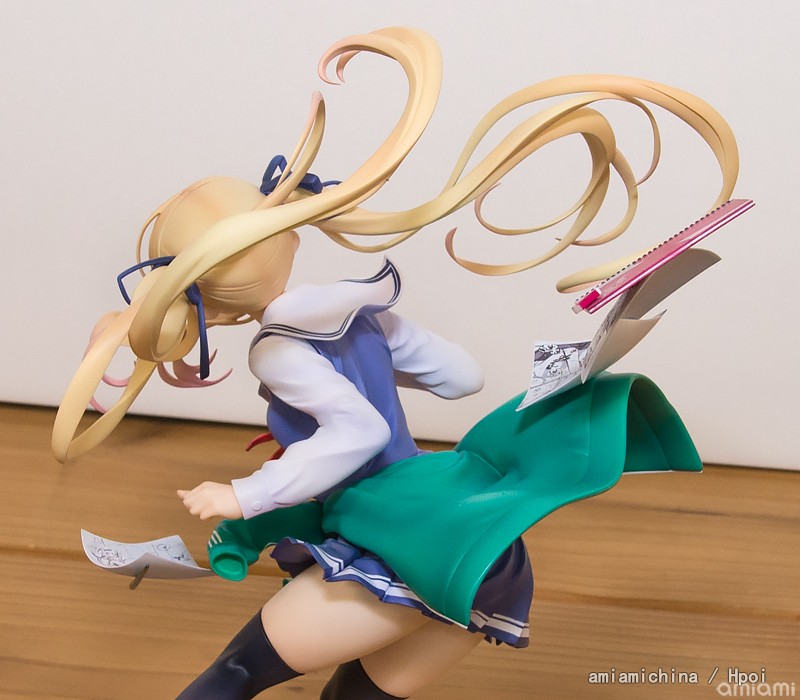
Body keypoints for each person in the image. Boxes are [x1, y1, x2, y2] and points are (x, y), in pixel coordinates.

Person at [51, 26, 739, 699]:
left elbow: (359, 433)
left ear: (208, 302)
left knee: (234, 676)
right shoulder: (365, 310)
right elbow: (461, 377)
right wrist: (375, 365)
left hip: (400, 536)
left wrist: (246, 495)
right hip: (471, 537)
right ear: (286, 236)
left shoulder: (280, 347)